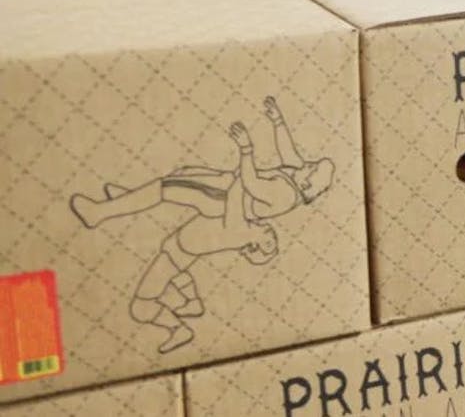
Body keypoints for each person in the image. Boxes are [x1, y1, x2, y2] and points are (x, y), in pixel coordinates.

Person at [70, 97, 335, 353]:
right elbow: (289, 152)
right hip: (225, 188)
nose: (305, 163)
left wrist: (246, 150)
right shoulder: (297, 177)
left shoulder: (284, 195)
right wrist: (278, 122)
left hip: (222, 198)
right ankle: (132, 196)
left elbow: (251, 182)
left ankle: (100, 213)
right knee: (182, 175)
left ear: (306, 185)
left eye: (310, 168)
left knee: (168, 188)